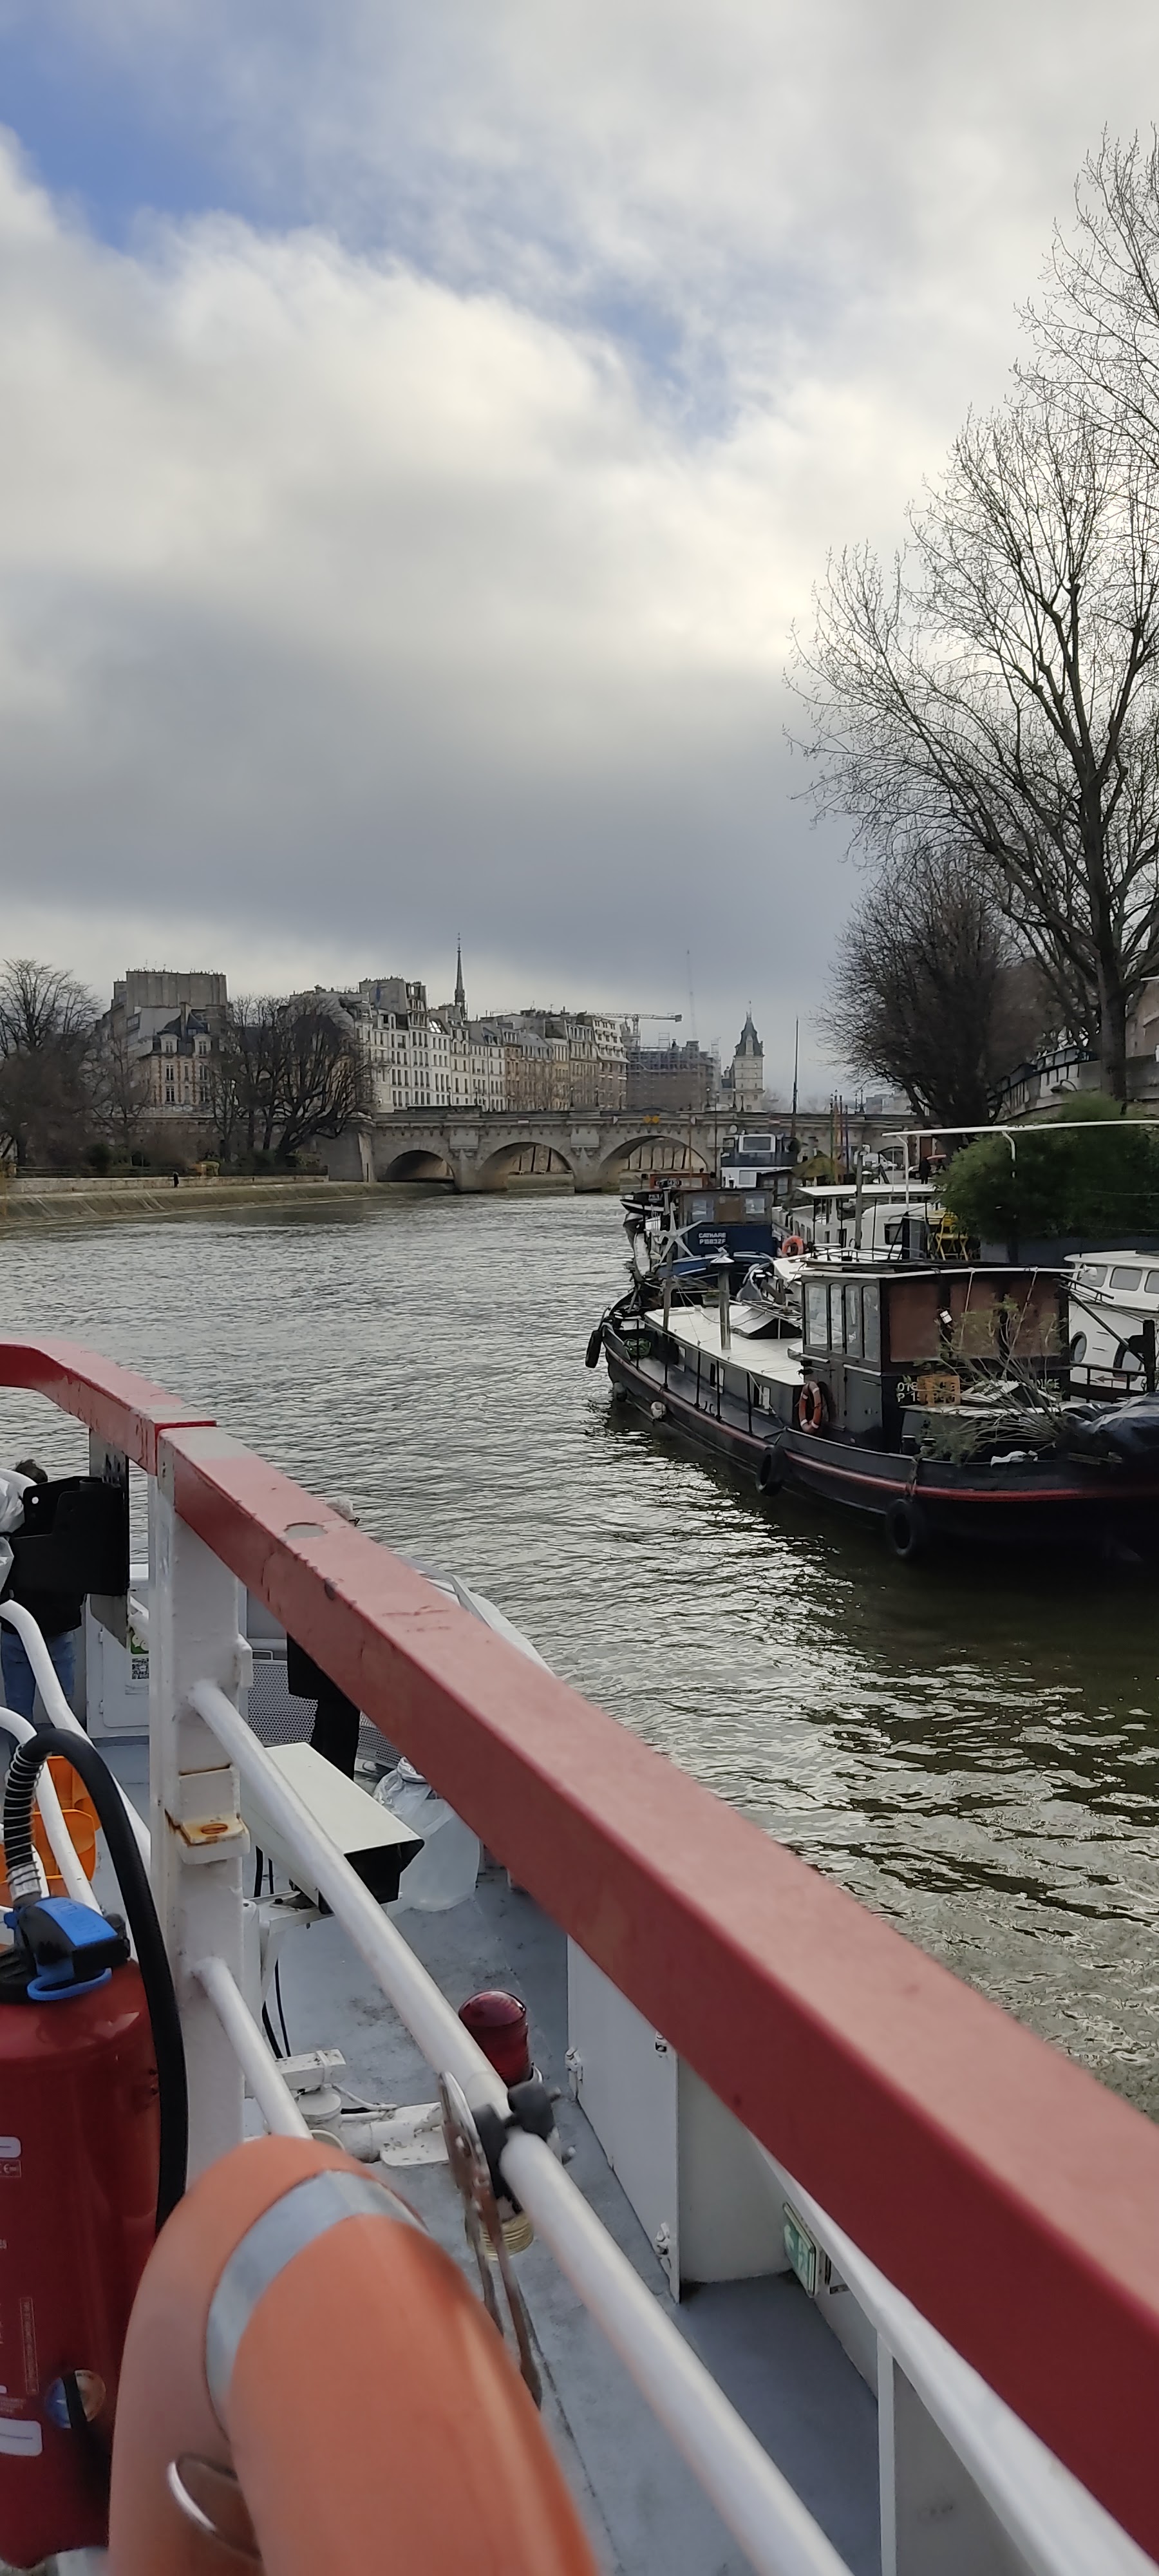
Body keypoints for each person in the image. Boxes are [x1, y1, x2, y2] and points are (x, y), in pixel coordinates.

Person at [0, 1459, 83, 1722]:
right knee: (63, 1707)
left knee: (18, 1709)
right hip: (59, 1626)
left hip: (16, 1630)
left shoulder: (6, 1534)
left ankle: (22, 1750)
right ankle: (67, 1746)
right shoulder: (67, 1530)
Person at [285, 1495, 362, 1776]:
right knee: (341, 1727)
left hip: (315, 1653)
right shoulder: (343, 1559)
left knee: (328, 1721)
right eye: (354, 1522)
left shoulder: (304, 1552)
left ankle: (320, 1771)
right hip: (337, 1658)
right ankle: (338, 1780)